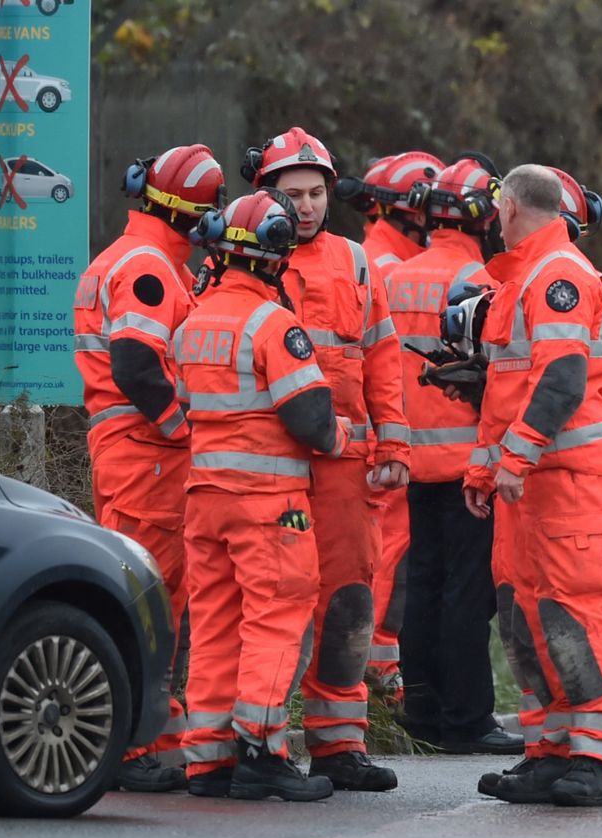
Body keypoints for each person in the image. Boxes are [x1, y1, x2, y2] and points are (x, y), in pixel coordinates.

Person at [481, 166, 602, 796]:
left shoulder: (558, 275)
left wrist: (514, 459)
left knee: (578, 615)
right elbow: (507, 391)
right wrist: (485, 466)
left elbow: (562, 379)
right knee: (528, 618)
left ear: (510, 207)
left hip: (567, 481)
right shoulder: (519, 280)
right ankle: (552, 749)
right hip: (530, 484)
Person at [244, 127, 409, 790]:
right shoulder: (245, 255)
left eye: (316, 193)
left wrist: (393, 441)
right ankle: (260, 745)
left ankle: (340, 745)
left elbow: (383, 355)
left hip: (345, 466)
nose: (307, 206)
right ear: (269, 193)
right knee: (276, 601)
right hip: (273, 460)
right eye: (294, 194)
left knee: (347, 601)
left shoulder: (356, 261)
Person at [175, 189, 349, 801]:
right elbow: (311, 419)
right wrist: (343, 435)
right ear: (276, 254)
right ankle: (260, 750)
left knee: (215, 622)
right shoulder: (274, 324)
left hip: (205, 498)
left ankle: (208, 759)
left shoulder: (193, 324)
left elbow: (187, 404)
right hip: (269, 501)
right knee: (277, 614)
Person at [73, 144, 224, 792]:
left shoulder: (131, 257)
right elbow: (137, 364)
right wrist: (183, 431)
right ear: (196, 215)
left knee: (147, 596)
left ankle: (155, 735)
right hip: (148, 457)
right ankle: (134, 746)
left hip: (129, 452)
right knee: (151, 601)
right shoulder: (150, 268)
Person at [382, 153, 520, 755]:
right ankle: (467, 718)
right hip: (470, 468)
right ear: (484, 217)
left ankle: (423, 711)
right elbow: (501, 378)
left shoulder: (392, 280)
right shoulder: (487, 284)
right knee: (466, 594)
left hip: (411, 462)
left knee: (422, 586)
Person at [360, 150, 444, 700]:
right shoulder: (393, 270)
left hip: (379, 432)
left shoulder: (377, 261)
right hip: (384, 437)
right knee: (389, 555)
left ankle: (378, 668)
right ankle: (380, 669)